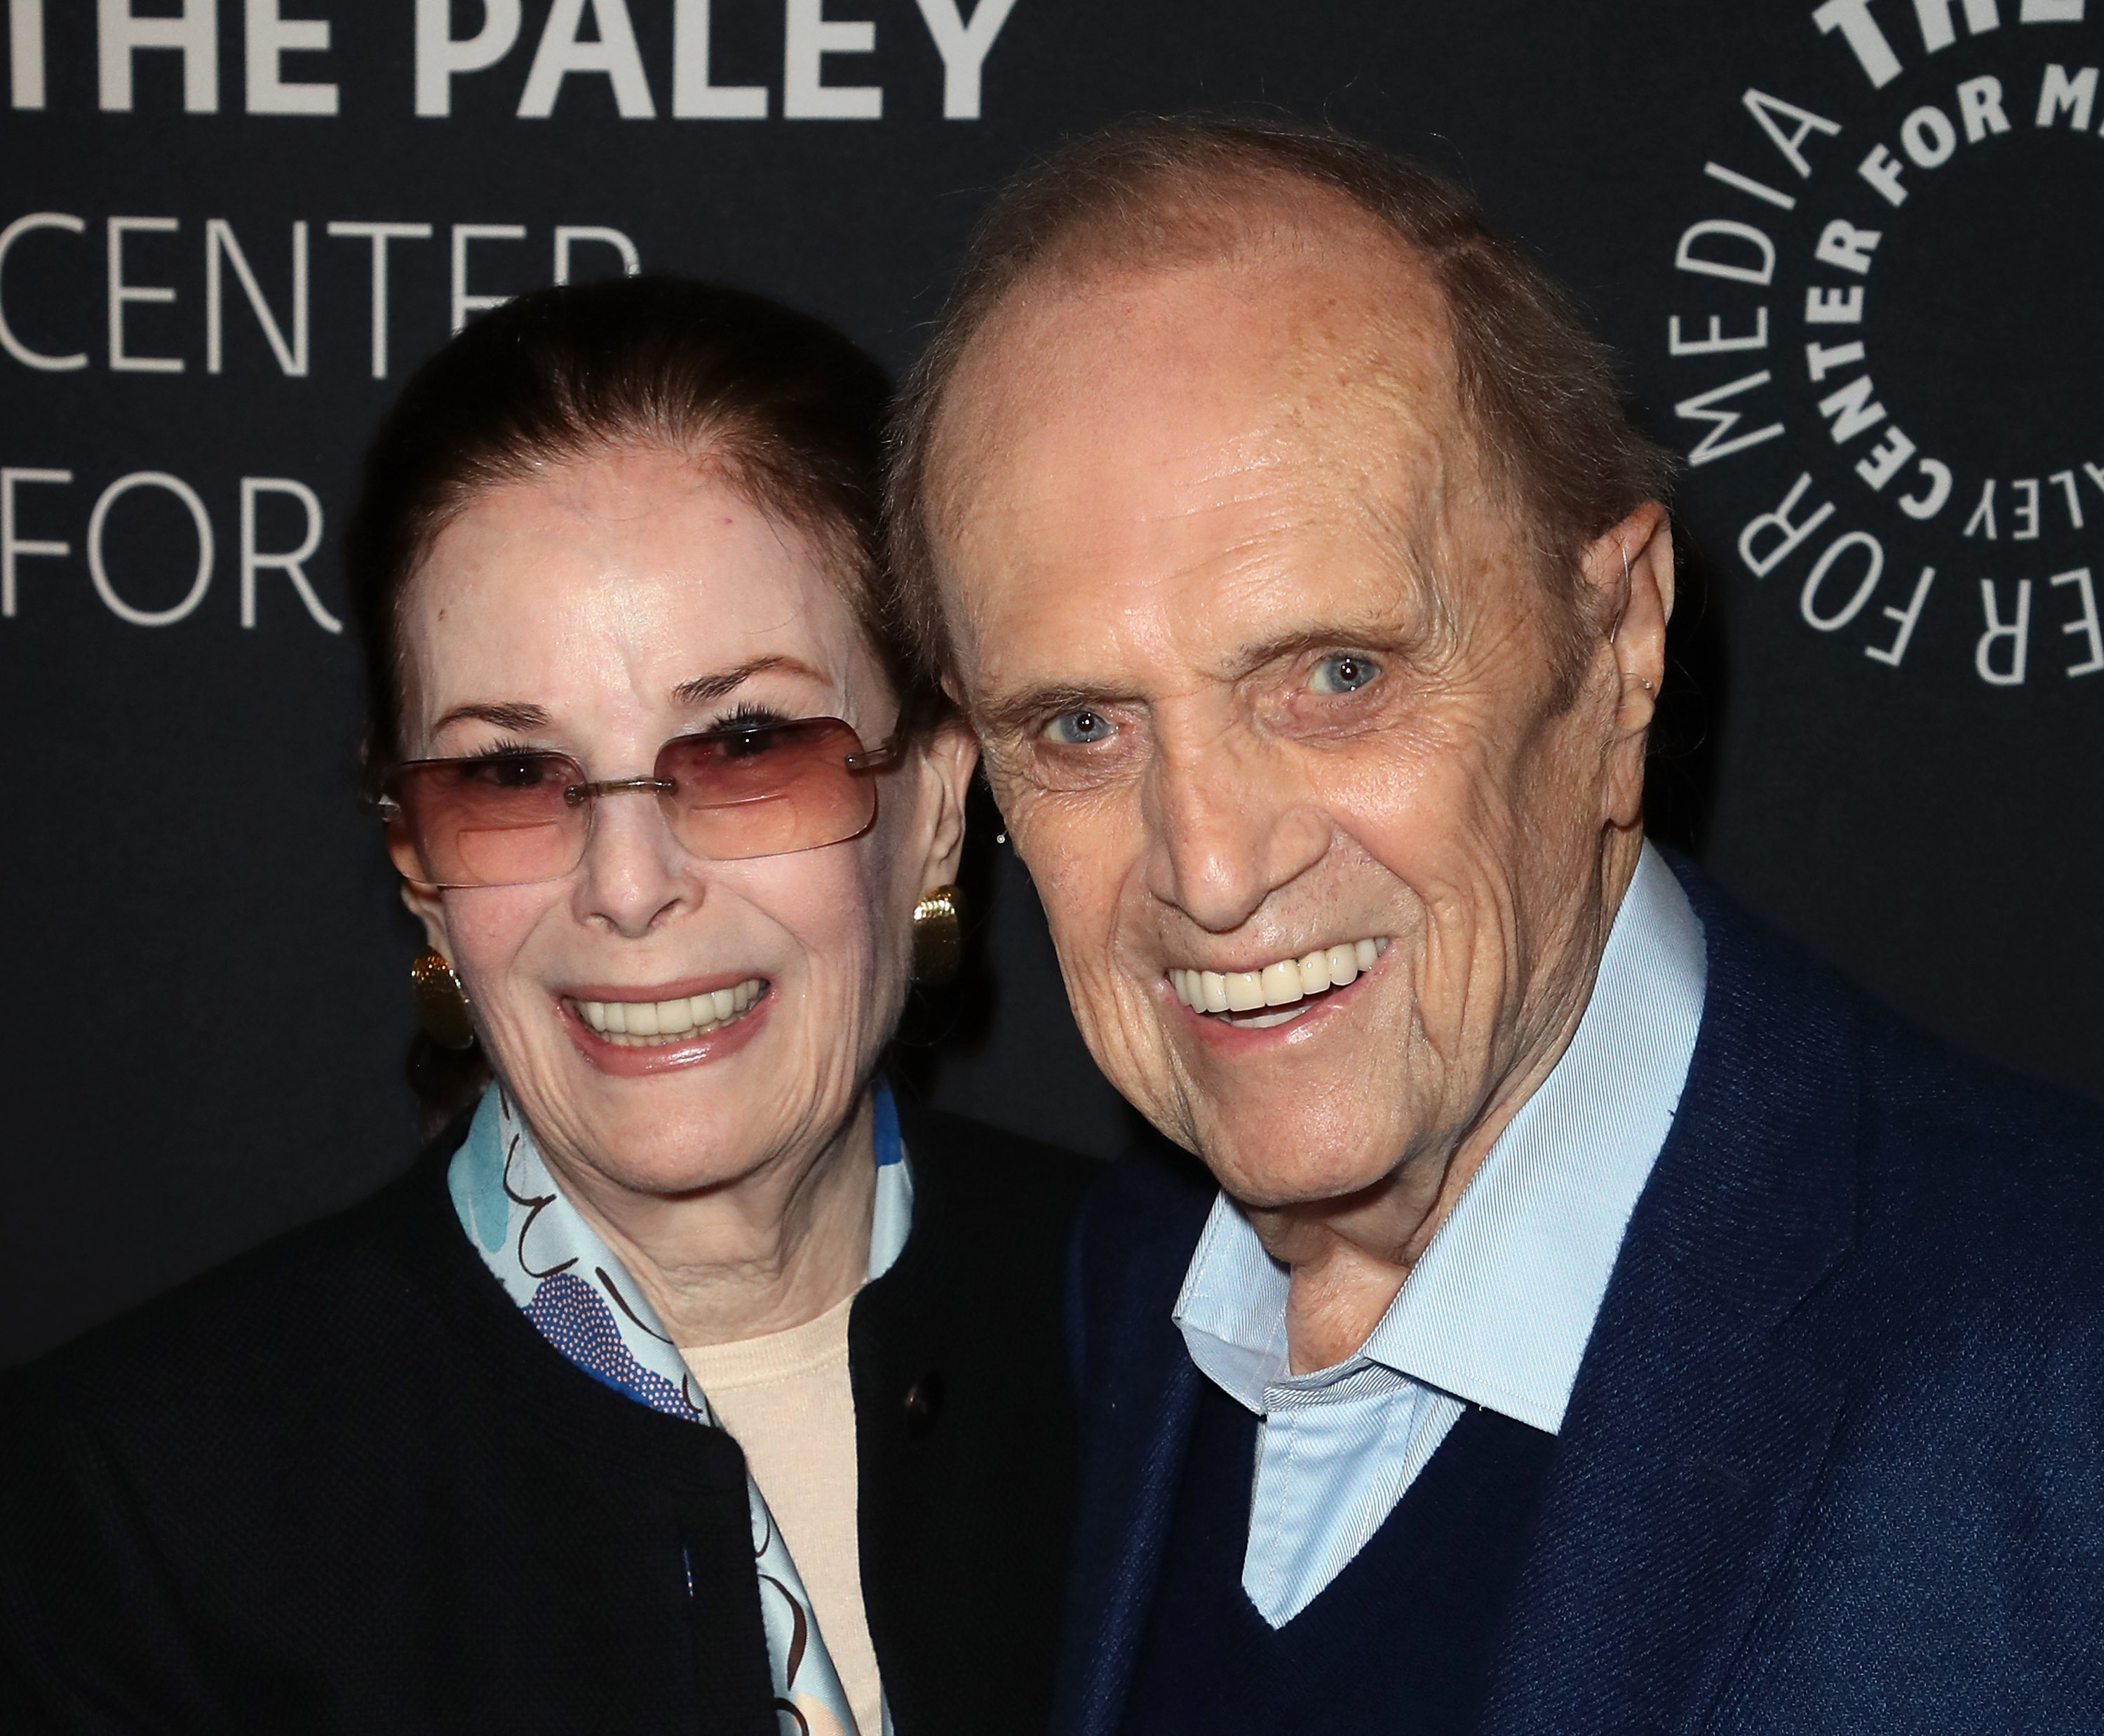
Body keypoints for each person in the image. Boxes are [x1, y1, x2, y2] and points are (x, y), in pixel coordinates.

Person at [884, 115, 2104, 1734]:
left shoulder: (2055, 1372)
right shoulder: (1108, 1306)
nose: (1214, 864)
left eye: (1336, 675)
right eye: (1084, 728)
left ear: (1618, 643)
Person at [0, 276, 1095, 1736]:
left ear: (939, 801)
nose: (628, 885)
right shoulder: (123, 1518)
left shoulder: (1199, 1349)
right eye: (509, 776)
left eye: (747, 743)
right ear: (413, 860)